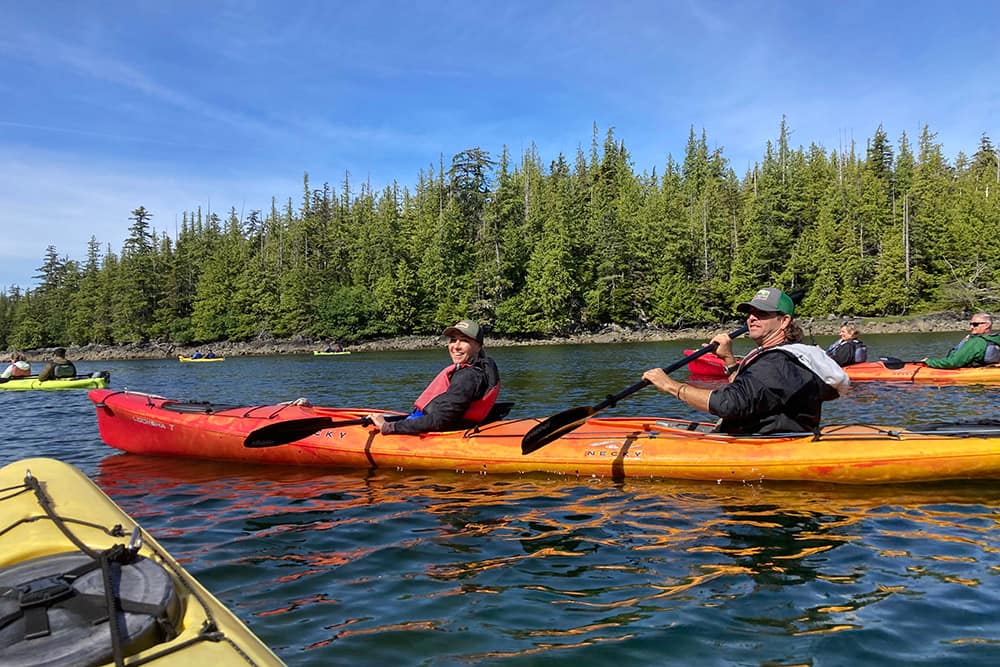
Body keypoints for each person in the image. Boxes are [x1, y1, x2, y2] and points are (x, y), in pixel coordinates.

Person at [643, 287, 849, 435]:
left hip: (766, 443)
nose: (751, 318)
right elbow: (750, 396)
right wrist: (729, 360)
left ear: (784, 321)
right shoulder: (792, 357)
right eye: (750, 313)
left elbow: (728, 405)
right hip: (779, 434)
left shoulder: (777, 362)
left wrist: (671, 386)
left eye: (761, 313)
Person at [368, 319, 501, 434]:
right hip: (434, 423)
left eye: (464, 341)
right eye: (453, 340)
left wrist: (388, 426)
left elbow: (441, 420)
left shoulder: (468, 377)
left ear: (478, 346)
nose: (456, 346)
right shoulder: (479, 370)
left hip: (436, 431)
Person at [922, 313, 1000, 368]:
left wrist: (929, 361)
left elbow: (953, 362)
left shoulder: (976, 342)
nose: (971, 327)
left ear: (987, 325)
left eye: (975, 324)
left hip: (976, 375)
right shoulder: (997, 338)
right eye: (970, 324)